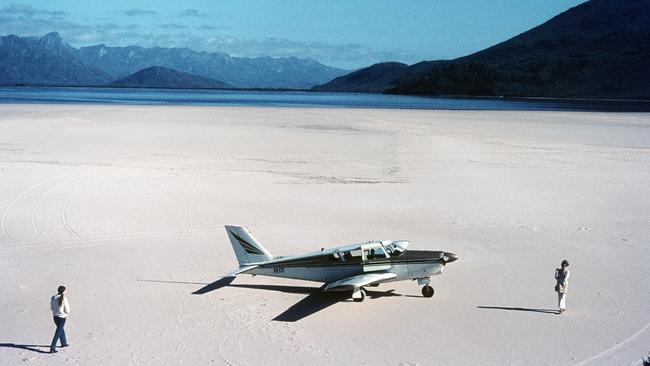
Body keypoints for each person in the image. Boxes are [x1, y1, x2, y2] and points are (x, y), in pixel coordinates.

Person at [50, 285, 70, 353]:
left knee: (61, 329)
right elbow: (67, 309)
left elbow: (52, 308)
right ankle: (52, 347)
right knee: (57, 333)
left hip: (55, 317)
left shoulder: (53, 297)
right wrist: (65, 314)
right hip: (62, 318)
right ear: (64, 291)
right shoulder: (64, 298)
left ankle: (63, 343)